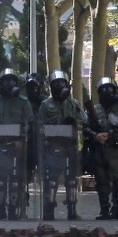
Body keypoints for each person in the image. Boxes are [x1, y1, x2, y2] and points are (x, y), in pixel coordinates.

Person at [37, 70, 86, 220]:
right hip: (53, 146)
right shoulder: (46, 105)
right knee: (51, 180)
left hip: (70, 146)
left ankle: (72, 210)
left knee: (71, 180)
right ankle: (49, 210)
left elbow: (84, 120)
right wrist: (56, 125)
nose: (59, 86)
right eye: (56, 84)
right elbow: (39, 126)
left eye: (62, 83)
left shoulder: (73, 103)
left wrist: (74, 122)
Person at [0, 69, 35, 219]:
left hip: (17, 146)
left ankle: (14, 209)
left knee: (15, 179)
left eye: (12, 81)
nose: (9, 84)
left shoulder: (23, 102)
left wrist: (22, 140)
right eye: (5, 81)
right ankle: (0, 209)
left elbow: (29, 124)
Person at [85, 77, 118, 220]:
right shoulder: (95, 110)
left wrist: (112, 134)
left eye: (110, 89)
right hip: (99, 150)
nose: (107, 92)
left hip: (115, 149)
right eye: (104, 90)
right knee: (101, 181)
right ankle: (104, 209)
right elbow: (86, 127)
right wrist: (96, 136)